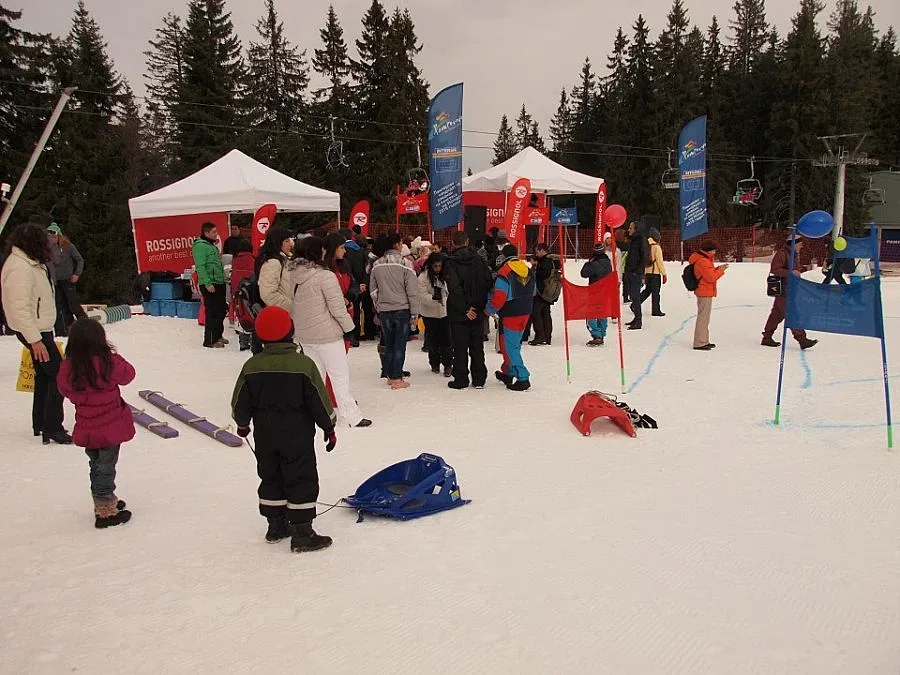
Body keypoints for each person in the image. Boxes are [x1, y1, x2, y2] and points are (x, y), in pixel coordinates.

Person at [231, 306, 336, 553]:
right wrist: (328, 427)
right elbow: (319, 402)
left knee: (270, 475)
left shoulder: (252, 366)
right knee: (300, 477)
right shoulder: (303, 365)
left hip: (265, 435)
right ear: (290, 332)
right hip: (297, 436)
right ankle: (302, 533)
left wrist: (243, 424)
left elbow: (239, 402)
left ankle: (275, 526)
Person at [57, 319, 136, 529]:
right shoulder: (107, 362)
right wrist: (113, 355)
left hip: (87, 427)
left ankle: (106, 497)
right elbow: (128, 374)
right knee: (106, 467)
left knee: (96, 463)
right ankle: (105, 510)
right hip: (110, 427)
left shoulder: (69, 366)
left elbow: (63, 389)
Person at [290, 236, 371, 427]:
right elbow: (337, 308)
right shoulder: (325, 276)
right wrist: (350, 328)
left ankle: (316, 413)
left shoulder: (292, 273)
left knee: (315, 376)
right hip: (327, 334)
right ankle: (351, 416)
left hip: (304, 333)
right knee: (339, 375)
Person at [2, 223, 70, 444]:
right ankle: (53, 427)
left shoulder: (29, 263)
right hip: (34, 331)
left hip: (39, 329)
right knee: (58, 375)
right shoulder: (20, 268)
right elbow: (19, 308)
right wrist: (35, 340)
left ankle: (40, 423)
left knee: (44, 375)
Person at [369, 232, 420, 390]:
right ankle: (397, 377)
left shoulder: (377, 264)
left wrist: (378, 306)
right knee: (399, 345)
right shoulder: (406, 263)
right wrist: (414, 313)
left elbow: (373, 290)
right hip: (402, 309)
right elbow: (412, 291)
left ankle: (391, 375)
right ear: (398, 244)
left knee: (389, 343)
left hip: (384, 310)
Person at [445, 231, 493, 390]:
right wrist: (479, 304)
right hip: (478, 309)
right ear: (467, 241)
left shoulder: (451, 262)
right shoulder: (480, 260)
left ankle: (461, 378)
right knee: (477, 346)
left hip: (459, 311)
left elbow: (454, 288)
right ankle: (479, 378)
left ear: (453, 243)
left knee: (459, 347)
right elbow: (488, 282)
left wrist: (465, 307)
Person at [488, 244, 536, 391]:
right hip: (525, 312)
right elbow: (534, 291)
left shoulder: (504, 272)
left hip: (510, 313)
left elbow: (499, 296)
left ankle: (523, 377)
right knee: (510, 344)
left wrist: (488, 310)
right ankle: (508, 372)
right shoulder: (528, 269)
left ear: (503, 256)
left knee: (510, 347)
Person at [761, 235, 818, 350]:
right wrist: (791, 272)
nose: (801, 246)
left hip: (789, 288)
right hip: (784, 288)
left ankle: (767, 337)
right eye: (800, 243)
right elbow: (775, 269)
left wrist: (803, 269)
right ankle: (802, 339)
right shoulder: (782, 254)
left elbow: (792, 269)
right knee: (791, 314)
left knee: (777, 314)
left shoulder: (792, 254)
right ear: (794, 243)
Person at [46, 223, 87, 337]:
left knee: (73, 303)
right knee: (60, 306)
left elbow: (79, 260)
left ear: (59, 236)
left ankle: (85, 324)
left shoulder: (68, 247)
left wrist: (77, 274)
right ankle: (65, 329)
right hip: (55, 281)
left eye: (54, 237)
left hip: (67, 279)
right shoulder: (47, 249)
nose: (52, 239)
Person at [192, 222, 227, 348]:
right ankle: (210, 340)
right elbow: (200, 266)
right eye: (213, 232)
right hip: (210, 283)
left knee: (221, 310)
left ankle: (218, 335)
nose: (216, 234)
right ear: (206, 233)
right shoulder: (200, 246)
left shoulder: (211, 245)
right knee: (212, 312)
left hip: (219, 282)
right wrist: (207, 283)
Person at [688, 240, 728, 351]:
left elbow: (709, 273)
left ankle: (704, 340)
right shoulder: (703, 261)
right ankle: (700, 342)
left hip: (704, 290)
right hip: (704, 291)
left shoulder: (703, 259)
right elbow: (711, 277)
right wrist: (721, 270)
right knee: (703, 317)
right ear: (709, 251)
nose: (715, 252)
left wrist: (717, 269)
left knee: (704, 317)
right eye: (714, 250)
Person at [418, 252, 452, 377]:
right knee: (432, 341)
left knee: (447, 341)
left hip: (445, 313)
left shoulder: (447, 275)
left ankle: (448, 364)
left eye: (440, 266)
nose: (438, 268)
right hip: (429, 314)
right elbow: (421, 295)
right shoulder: (423, 277)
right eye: (435, 266)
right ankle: (434, 363)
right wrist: (434, 299)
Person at [581, 242, 613, 346]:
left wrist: (588, 263)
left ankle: (596, 334)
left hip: (594, 292)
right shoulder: (607, 262)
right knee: (602, 313)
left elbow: (584, 273)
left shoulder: (593, 264)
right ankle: (602, 333)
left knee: (591, 313)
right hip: (605, 291)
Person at [343, 234, 369, 345]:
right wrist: (363, 282)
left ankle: (349, 335)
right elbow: (366, 268)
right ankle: (356, 335)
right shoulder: (360, 251)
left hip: (347, 284)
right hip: (359, 285)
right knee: (356, 311)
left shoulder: (344, 251)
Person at [623, 222, 649, 329]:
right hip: (630, 272)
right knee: (633, 297)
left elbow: (645, 257)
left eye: (631, 228)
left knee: (636, 297)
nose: (629, 230)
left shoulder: (642, 240)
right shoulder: (634, 240)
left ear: (636, 229)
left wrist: (637, 271)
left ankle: (638, 320)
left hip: (636, 273)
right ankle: (636, 318)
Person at [529, 242, 555, 345]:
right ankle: (547, 336)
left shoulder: (545, 262)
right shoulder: (550, 260)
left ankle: (540, 336)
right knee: (545, 313)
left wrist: (535, 269)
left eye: (537, 251)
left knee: (536, 313)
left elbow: (543, 275)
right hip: (548, 291)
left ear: (542, 250)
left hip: (541, 291)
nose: (536, 254)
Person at [640, 227, 667, 317]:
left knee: (647, 290)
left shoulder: (645, 246)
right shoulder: (656, 247)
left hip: (647, 273)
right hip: (655, 273)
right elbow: (659, 262)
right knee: (656, 293)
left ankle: (635, 304)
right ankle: (656, 310)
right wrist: (664, 274)